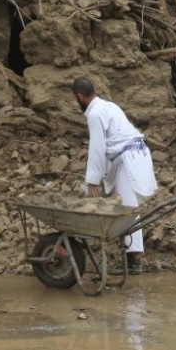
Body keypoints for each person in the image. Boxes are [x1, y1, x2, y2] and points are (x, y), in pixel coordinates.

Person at [72, 76, 157, 275]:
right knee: (127, 208)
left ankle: (134, 261)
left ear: (79, 96)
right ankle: (131, 257)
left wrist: (93, 180)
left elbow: (98, 147)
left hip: (129, 160)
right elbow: (113, 137)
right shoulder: (107, 106)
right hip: (133, 154)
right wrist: (89, 150)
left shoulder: (94, 113)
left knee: (128, 209)